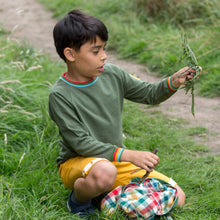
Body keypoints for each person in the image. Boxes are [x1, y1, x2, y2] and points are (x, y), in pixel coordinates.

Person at [49, 9, 200, 218]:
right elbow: (80, 142)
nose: (104, 56)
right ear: (70, 54)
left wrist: (172, 82)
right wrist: (128, 155)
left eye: (104, 48)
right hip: (77, 163)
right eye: (96, 51)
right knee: (104, 173)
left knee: (178, 196)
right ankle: (78, 200)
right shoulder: (60, 94)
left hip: (113, 161)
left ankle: (105, 196)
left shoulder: (112, 74)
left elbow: (148, 93)